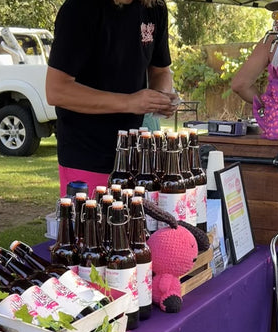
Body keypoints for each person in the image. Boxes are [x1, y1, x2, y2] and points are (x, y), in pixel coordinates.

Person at [45, 0, 179, 197]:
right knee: (92, 225)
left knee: (139, 226)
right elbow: (56, 90)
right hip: (87, 156)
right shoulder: (79, 8)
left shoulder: (154, 7)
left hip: (137, 159)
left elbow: (161, 70)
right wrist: (130, 102)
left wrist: (159, 98)